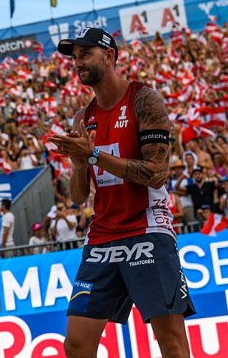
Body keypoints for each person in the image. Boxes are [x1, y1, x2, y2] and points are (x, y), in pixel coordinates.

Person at [50, 28, 194, 358]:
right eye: (74, 57)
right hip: (102, 237)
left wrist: (95, 156)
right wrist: (79, 164)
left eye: (85, 54)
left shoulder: (144, 99)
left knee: (171, 341)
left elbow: (156, 175)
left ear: (110, 56)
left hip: (148, 229)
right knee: (75, 343)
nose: (78, 63)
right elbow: (77, 197)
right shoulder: (81, 117)